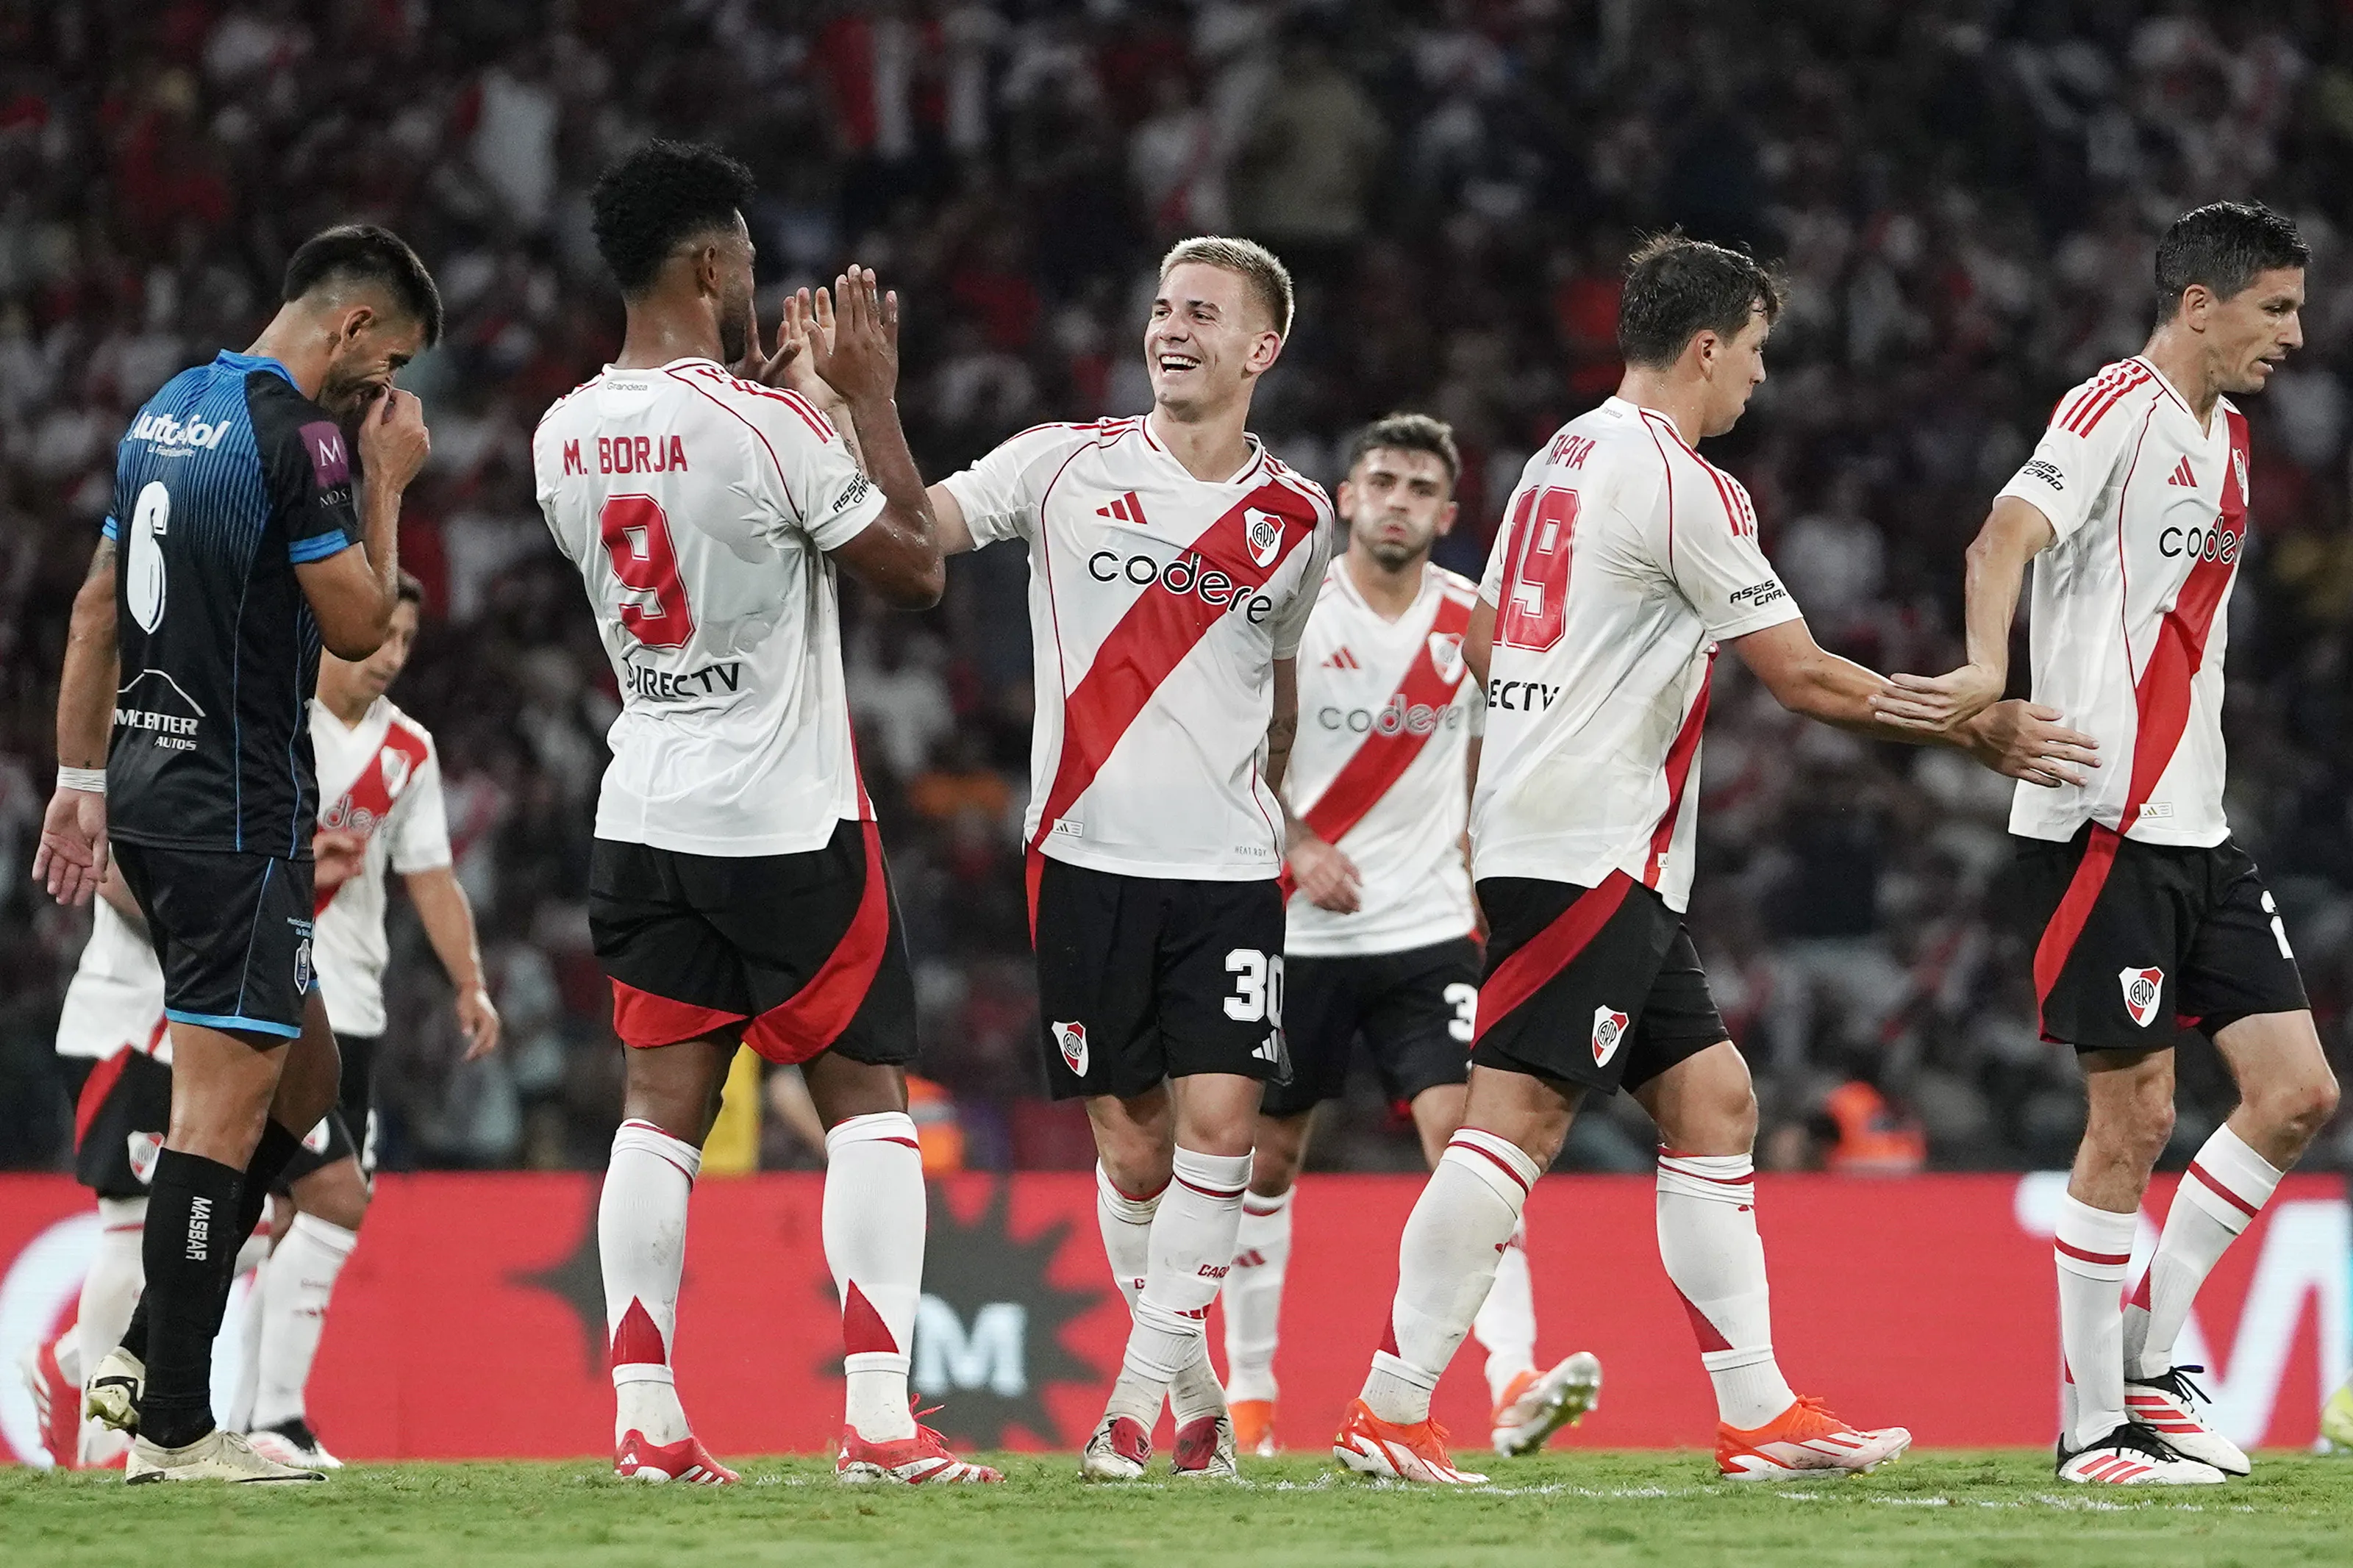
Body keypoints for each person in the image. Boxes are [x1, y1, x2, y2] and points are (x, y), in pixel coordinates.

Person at [1329, 235, 2095, 1485]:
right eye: (1753, 351)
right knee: (1514, 1121)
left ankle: (1757, 1414)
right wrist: (1975, 719)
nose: (1758, 378)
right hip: (1592, 843)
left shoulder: (1556, 457)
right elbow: (1798, 675)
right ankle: (1389, 1402)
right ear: (1704, 345)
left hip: (1563, 832)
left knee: (1714, 1098)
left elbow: (1486, 649)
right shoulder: (1687, 483)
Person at [533, 140, 993, 1486]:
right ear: (711, 265)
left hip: (645, 800)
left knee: (656, 1115)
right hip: (786, 817)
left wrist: (778, 406)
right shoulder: (772, 427)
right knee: (866, 1105)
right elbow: (911, 573)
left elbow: (686, 469)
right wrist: (863, 403)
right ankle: (876, 1416)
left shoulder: (562, 431)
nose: (753, 277)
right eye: (742, 255)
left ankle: (645, 1416)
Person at [1879, 201, 2338, 1486]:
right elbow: (2002, 537)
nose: (2295, 336)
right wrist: (1986, 674)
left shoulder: (2233, 440)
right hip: (2102, 820)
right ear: (2201, 303)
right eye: (2275, 309)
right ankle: (2092, 1429)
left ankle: (2149, 1352)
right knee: (2130, 1118)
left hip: (2200, 822)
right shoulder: (2108, 410)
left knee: (2297, 1093)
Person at [35, 224, 440, 1484]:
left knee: (306, 1081)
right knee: (218, 1120)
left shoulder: (169, 407)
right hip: (235, 809)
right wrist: (389, 485)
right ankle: (171, 1426)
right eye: (391, 367)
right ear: (356, 328)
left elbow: (98, 606)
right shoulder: (306, 434)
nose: (386, 398)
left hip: (153, 798)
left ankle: (151, 1340)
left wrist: (78, 779)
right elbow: (361, 626)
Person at [928, 235, 1338, 1481]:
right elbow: (922, 525)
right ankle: (1199, 1397)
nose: (1172, 327)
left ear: (1261, 349)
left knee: (1224, 1124)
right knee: (1135, 1153)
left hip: (1227, 869)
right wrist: (856, 411)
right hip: (1084, 858)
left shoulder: (1297, 519)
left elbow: (1276, 690)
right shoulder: (1062, 466)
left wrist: (1278, 812)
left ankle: (1125, 1407)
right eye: (1162, 306)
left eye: (1203, 313)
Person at [1220, 412, 1599, 1460]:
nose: (1396, 499)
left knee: (1472, 1140)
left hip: (1429, 930)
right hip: (1295, 929)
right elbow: (1230, 740)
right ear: (1346, 497)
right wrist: (1295, 844)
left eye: (1419, 487)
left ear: (1446, 511)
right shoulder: (1295, 605)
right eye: (1379, 478)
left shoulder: (1473, 620)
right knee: (1269, 1158)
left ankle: (1513, 1374)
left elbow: (1504, 758)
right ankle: (1252, 1399)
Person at [239, 571, 501, 1469]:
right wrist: (300, 865)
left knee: (277, 1214)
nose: (390, 655)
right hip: (268, 999)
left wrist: (470, 982)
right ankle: (268, 1416)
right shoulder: (271, 715)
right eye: (380, 635)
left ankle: (238, 1415)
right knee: (333, 1202)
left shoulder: (407, 753)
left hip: (356, 1008)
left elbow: (429, 876)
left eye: (405, 643)